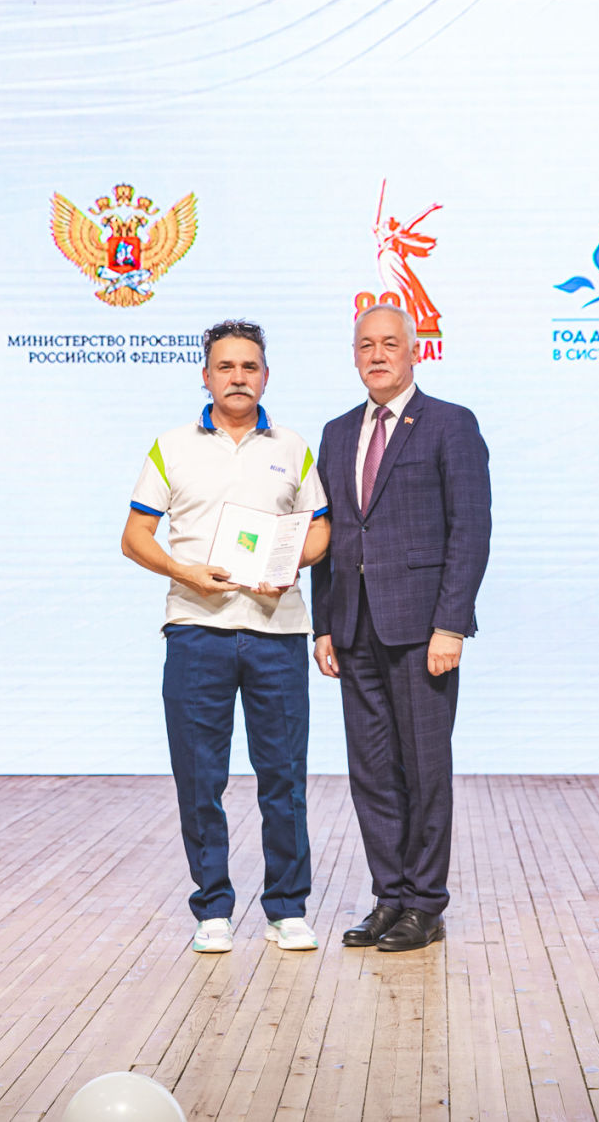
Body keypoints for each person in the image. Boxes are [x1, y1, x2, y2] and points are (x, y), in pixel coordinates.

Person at [122, 319, 331, 954]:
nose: (238, 377)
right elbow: (134, 537)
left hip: (277, 632)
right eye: (225, 366)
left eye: (249, 366)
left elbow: (320, 530)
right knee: (199, 777)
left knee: (284, 778)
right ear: (206, 376)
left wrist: (290, 564)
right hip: (196, 632)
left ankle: (287, 909)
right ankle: (212, 908)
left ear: (265, 376)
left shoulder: (292, 446)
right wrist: (183, 571)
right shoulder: (170, 446)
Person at [311, 303, 491, 952]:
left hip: (422, 631)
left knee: (424, 767)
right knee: (372, 770)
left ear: (415, 351)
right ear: (354, 356)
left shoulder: (449, 423)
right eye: (366, 345)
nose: (378, 354)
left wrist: (452, 625)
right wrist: (323, 625)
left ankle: (425, 903)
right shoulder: (336, 433)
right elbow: (329, 535)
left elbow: (470, 529)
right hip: (353, 627)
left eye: (390, 343)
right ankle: (389, 896)